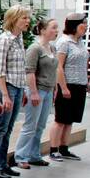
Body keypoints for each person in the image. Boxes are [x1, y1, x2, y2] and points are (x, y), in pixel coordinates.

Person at [0, 5, 33, 178]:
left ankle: (3, 163)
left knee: (9, 128)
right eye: (24, 18)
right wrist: (4, 94)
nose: (28, 21)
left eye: (28, 18)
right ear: (14, 19)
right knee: (0, 128)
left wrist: (24, 89)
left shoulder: (19, 38)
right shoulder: (4, 39)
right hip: (7, 87)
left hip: (18, 86)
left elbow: (20, 68)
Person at [14, 17, 60, 168]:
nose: (56, 31)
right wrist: (33, 92)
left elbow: (54, 71)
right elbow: (29, 71)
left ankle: (34, 154)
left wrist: (54, 89)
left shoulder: (52, 48)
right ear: (43, 30)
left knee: (40, 125)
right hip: (37, 89)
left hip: (48, 89)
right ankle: (20, 156)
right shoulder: (35, 48)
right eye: (53, 27)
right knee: (30, 125)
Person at [52, 14, 90, 162]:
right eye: (83, 24)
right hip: (67, 86)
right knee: (60, 119)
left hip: (79, 85)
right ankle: (54, 149)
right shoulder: (64, 42)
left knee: (70, 120)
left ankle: (64, 148)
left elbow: (81, 64)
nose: (86, 26)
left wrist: (85, 81)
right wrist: (63, 87)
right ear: (74, 25)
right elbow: (59, 67)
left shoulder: (80, 42)